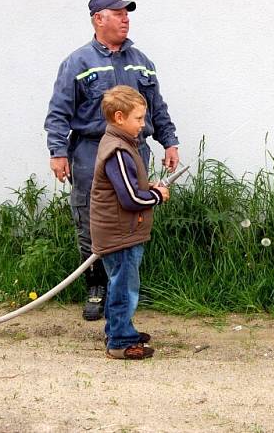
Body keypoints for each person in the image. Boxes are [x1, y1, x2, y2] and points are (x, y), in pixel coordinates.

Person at [45, 0, 179, 321]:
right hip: (91, 151)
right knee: (92, 217)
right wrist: (58, 151)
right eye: (117, 13)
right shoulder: (77, 62)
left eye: (126, 13)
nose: (125, 18)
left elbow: (156, 107)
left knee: (132, 213)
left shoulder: (141, 61)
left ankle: (124, 286)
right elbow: (59, 111)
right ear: (98, 19)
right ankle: (96, 286)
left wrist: (170, 141)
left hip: (135, 150)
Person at [91, 85, 169, 359]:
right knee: (124, 287)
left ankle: (118, 329)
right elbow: (131, 198)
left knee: (119, 284)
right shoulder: (118, 150)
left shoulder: (121, 144)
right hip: (120, 234)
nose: (143, 124)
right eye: (138, 119)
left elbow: (129, 186)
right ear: (120, 118)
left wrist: (148, 186)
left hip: (122, 232)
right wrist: (156, 196)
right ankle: (121, 343)